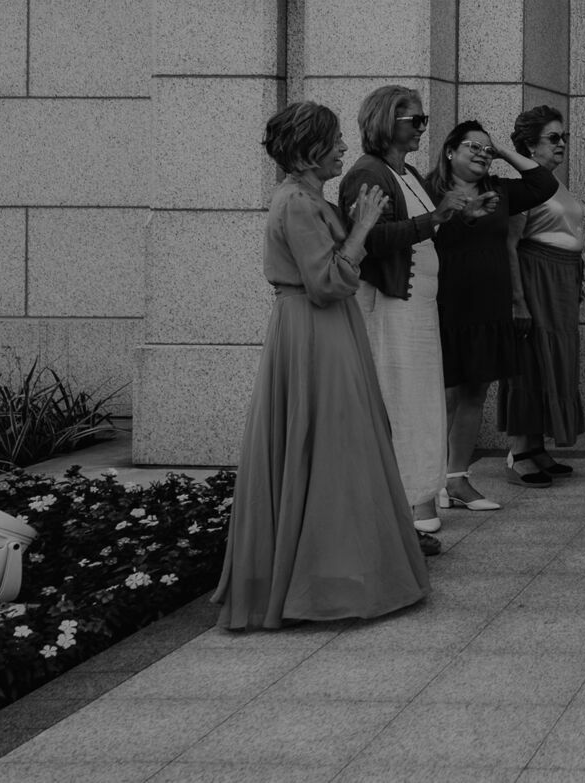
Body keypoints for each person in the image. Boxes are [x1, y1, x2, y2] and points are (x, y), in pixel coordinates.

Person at [215, 101, 429, 629]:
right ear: (310, 150)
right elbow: (327, 281)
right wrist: (364, 228)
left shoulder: (309, 198)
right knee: (334, 445)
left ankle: (343, 573)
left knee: (341, 443)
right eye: (334, 140)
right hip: (315, 329)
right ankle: (327, 584)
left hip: (326, 329)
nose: (342, 148)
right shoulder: (296, 203)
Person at [340, 86, 468, 539]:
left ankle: (419, 499)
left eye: (423, 120)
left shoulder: (406, 171)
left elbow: (416, 229)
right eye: (414, 120)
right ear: (385, 122)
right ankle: (409, 507)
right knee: (403, 401)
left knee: (420, 401)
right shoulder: (366, 173)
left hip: (417, 304)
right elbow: (370, 240)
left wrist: (450, 215)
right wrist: (433, 220)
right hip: (392, 304)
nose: (421, 128)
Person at [427, 120, 557, 507]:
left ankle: (457, 480)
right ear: (450, 150)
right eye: (473, 146)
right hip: (446, 303)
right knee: (447, 395)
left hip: (489, 304)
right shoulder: (428, 190)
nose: (482, 153)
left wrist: (502, 152)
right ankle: (428, 481)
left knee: (475, 393)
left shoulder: (498, 190)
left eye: (487, 149)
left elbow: (543, 184)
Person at [500, 105, 585, 479]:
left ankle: (536, 446)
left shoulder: (555, 184)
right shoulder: (525, 189)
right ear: (530, 146)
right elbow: (509, 245)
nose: (562, 144)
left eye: (563, 136)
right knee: (531, 357)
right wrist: (518, 299)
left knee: (554, 357)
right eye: (553, 138)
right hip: (537, 276)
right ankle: (519, 452)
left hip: (562, 280)